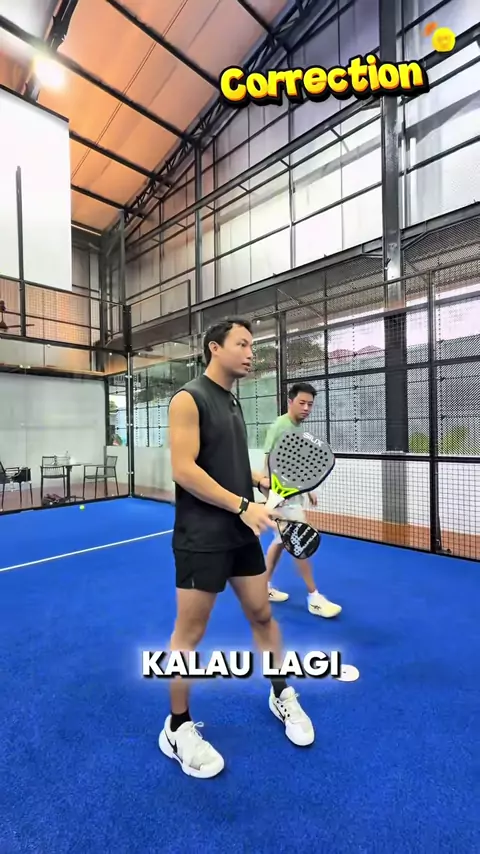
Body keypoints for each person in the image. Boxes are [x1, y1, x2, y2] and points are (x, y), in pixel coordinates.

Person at [159, 319, 315, 779]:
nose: (251, 352)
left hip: (240, 533)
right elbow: (184, 469)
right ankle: (177, 727)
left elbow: (223, 462)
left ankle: (280, 692)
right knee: (190, 633)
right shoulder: (188, 398)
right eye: (242, 344)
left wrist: (256, 479)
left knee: (263, 615)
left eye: (253, 344)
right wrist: (244, 505)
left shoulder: (232, 400)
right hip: (202, 536)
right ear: (215, 347)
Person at [263, 383, 342, 619]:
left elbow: (297, 465)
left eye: (310, 404)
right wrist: (271, 496)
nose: (306, 408)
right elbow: (268, 461)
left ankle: (262, 587)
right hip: (282, 499)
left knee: (280, 541)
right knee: (300, 541)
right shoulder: (280, 425)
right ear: (290, 402)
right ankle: (314, 597)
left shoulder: (299, 428)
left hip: (293, 495)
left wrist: (308, 491)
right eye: (302, 403)